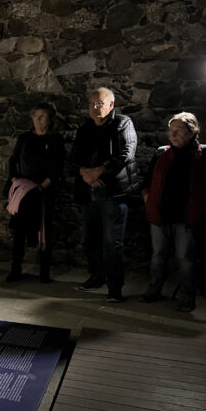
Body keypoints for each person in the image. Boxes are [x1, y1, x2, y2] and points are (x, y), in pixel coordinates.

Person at [71, 87, 139, 302]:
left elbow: (127, 153)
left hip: (112, 193)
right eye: (91, 103)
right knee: (90, 240)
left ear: (111, 104)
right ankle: (96, 276)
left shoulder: (122, 123)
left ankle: (115, 287)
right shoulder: (85, 128)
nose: (95, 107)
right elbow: (74, 156)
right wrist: (84, 173)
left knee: (112, 243)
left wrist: (100, 171)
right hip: (88, 192)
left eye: (99, 103)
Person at [140, 113, 206, 312]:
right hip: (160, 215)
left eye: (178, 131)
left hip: (186, 217)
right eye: (171, 131)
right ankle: (155, 287)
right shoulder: (161, 154)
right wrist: (148, 200)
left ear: (191, 132)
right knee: (158, 255)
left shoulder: (203, 155)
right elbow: (147, 181)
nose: (172, 135)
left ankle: (188, 294)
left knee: (185, 258)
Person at [4, 102, 65, 283]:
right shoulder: (24, 139)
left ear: (50, 119)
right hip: (23, 193)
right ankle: (15, 269)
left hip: (43, 192)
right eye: (35, 116)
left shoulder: (55, 140)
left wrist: (42, 186)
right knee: (19, 232)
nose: (38, 120)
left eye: (42, 116)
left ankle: (44, 272)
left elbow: (58, 167)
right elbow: (13, 161)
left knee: (44, 231)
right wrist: (15, 181)